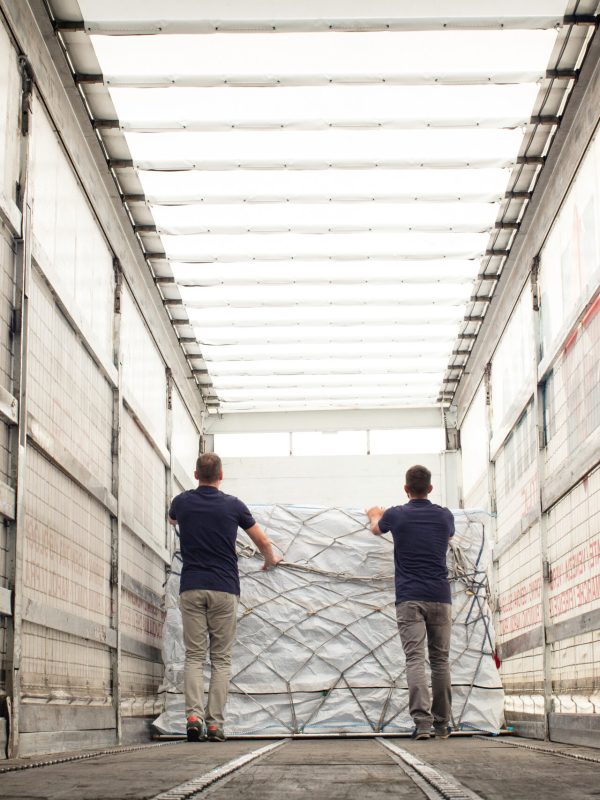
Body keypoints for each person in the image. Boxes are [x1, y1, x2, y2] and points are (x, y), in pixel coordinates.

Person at [168, 452, 282, 743]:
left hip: (191, 587)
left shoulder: (181, 502)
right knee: (220, 659)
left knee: (194, 656)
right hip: (224, 589)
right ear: (220, 476)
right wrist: (270, 559)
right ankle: (215, 724)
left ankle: (193, 717)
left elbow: (171, 520)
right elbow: (262, 540)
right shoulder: (233, 506)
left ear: (196, 475)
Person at [366, 464, 454, 740]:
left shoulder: (396, 515)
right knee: (440, 660)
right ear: (430, 488)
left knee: (415, 658)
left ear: (406, 489)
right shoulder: (444, 516)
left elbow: (376, 529)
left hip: (409, 598)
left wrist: (374, 514)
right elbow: (449, 536)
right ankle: (442, 724)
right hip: (440, 597)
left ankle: (423, 724)